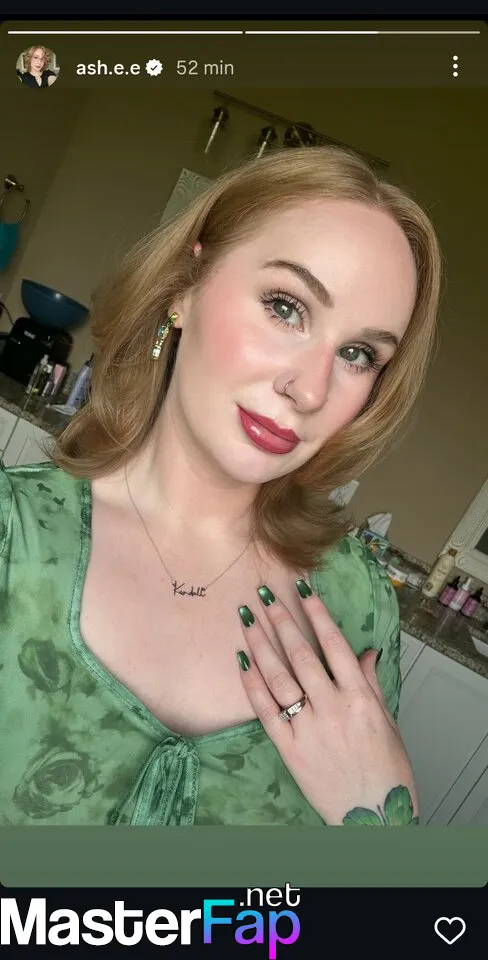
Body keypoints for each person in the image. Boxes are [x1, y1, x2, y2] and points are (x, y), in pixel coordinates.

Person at [0, 145, 441, 826]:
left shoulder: (358, 606)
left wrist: (380, 821)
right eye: (286, 307)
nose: (310, 389)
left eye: (358, 354)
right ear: (185, 286)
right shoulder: (14, 537)